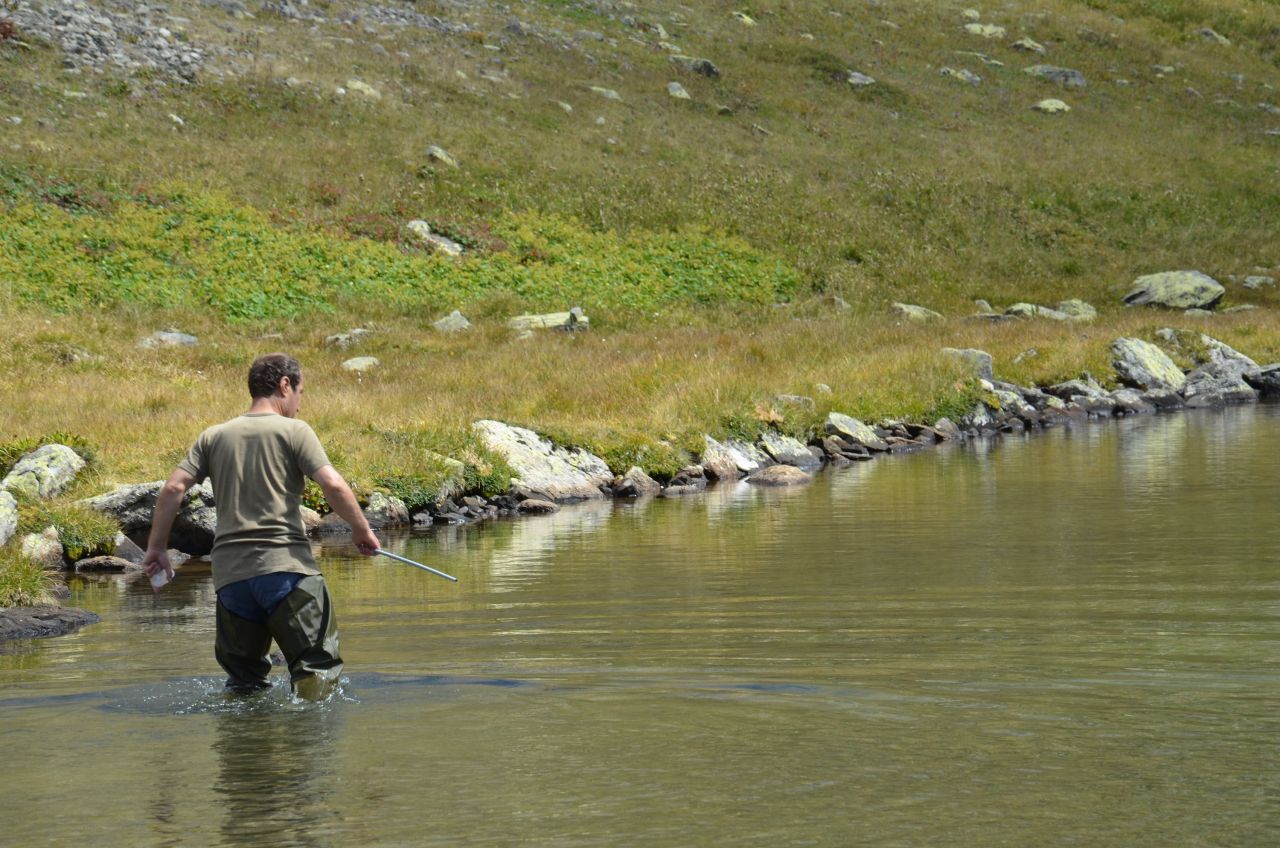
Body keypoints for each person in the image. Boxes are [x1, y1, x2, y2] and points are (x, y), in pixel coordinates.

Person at [142, 353, 379, 700]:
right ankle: (311, 749)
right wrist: (361, 530)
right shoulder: (295, 431)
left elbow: (173, 488)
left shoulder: (213, 436)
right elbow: (334, 485)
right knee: (317, 669)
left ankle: (246, 750)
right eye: (300, 393)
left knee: (244, 683)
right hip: (286, 571)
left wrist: (157, 548)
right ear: (285, 385)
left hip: (231, 581)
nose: (299, 404)